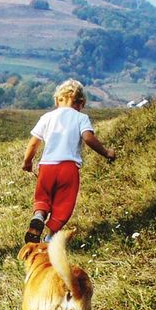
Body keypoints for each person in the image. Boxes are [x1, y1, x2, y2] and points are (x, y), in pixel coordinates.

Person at [21, 79, 116, 243]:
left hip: (47, 167)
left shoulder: (47, 117)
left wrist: (27, 161)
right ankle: (50, 236)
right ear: (81, 103)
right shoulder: (81, 117)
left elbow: (34, 142)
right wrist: (106, 152)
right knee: (64, 203)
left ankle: (38, 216)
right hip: (68, 168)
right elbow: (88, 138)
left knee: (43, 196)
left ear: (57, 100)